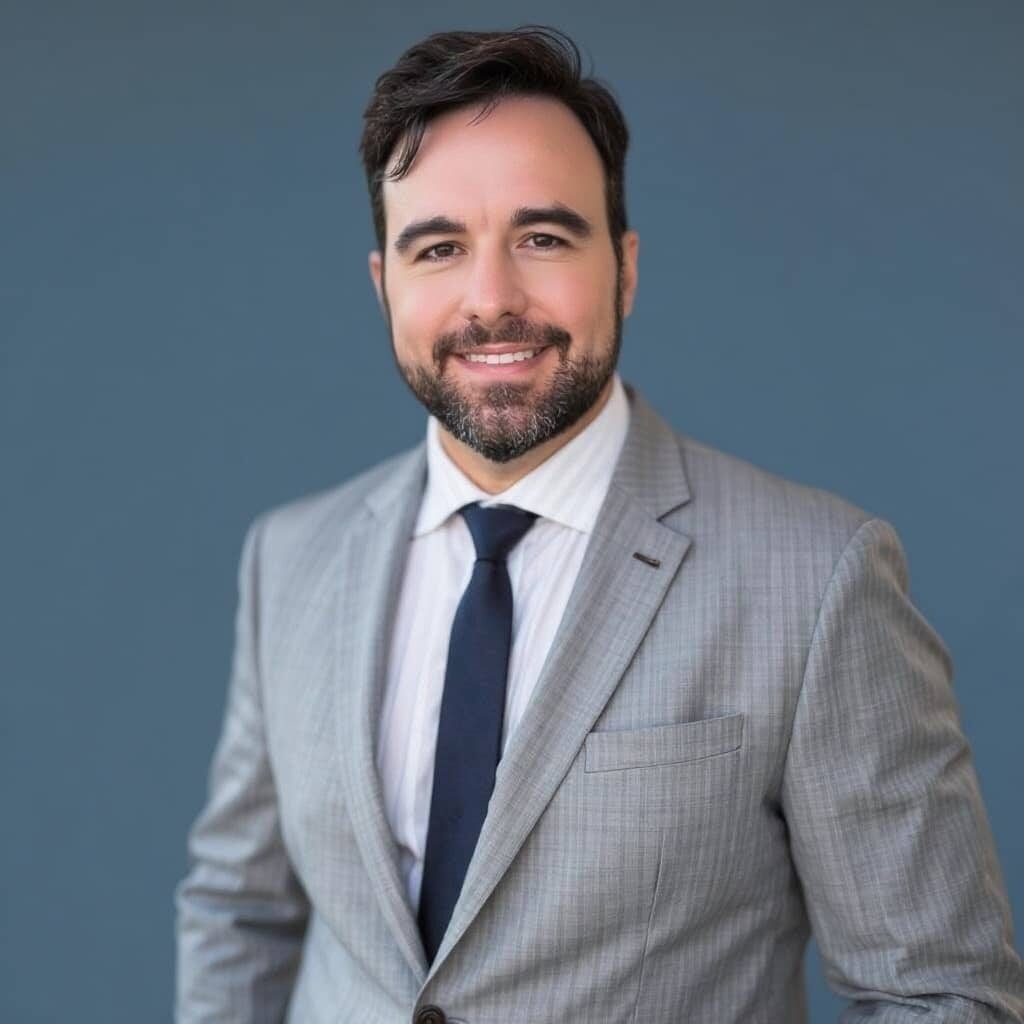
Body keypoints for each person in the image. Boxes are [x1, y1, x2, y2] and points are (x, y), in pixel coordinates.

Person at [174, 26, 1024, 1024]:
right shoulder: (289, 559)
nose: (491, 299)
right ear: (384, 285)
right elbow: (239, 912)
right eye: (439, 246)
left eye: (542, 237)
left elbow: (939, 996)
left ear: (622, 268)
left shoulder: (817, 577)